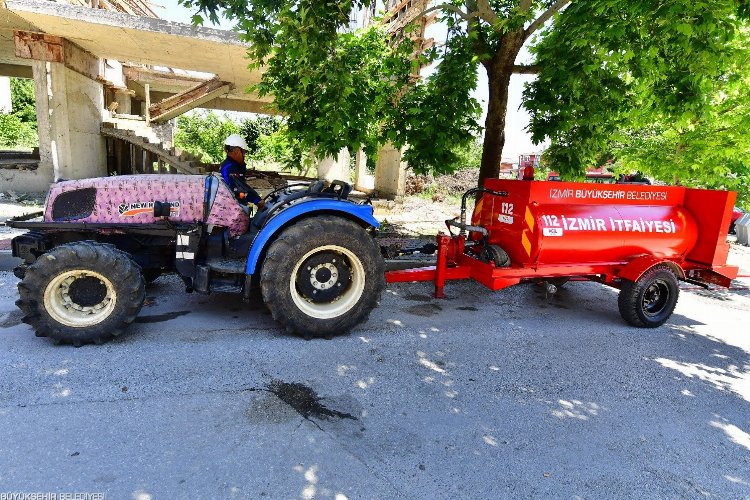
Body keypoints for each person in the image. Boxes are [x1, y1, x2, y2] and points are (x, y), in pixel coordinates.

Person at [220, 134, 266, 210]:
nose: (244, 155)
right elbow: (239, 189)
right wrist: (257, 200)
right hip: (231, 209)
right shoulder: (230, 167)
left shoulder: (232, 165)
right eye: (243, 152)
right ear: (236, 151)